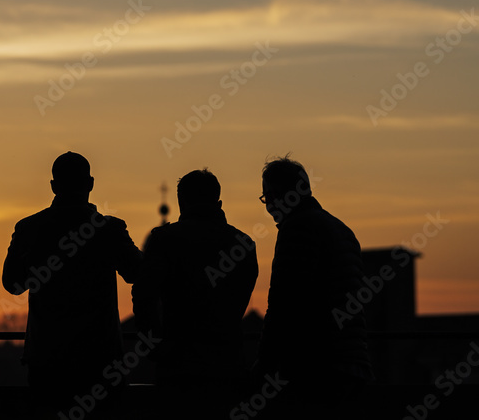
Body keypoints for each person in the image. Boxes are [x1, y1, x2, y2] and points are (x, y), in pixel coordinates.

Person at [1, 152, 142, 405]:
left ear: (54, 186)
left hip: (48, 360)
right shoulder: (109, 229)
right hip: (100, 359)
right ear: (90, 184)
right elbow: (137, 272)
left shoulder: (29, 228)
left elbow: (12, 284)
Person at [255, 155, 373, 412]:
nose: (269, 207)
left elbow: (285, 303)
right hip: (353, 363)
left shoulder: (297, 228)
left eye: (268, 198)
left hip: (317, 365)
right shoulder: (342, 229)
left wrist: (262, 367)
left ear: (278, 195)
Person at [133, 168, 257, 390]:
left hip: (178, 366)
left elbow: (144, 295)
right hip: (228, 363)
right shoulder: (243, 244)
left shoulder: (165, 240)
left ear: (182, 201)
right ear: (217, 200)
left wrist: (154, 345)